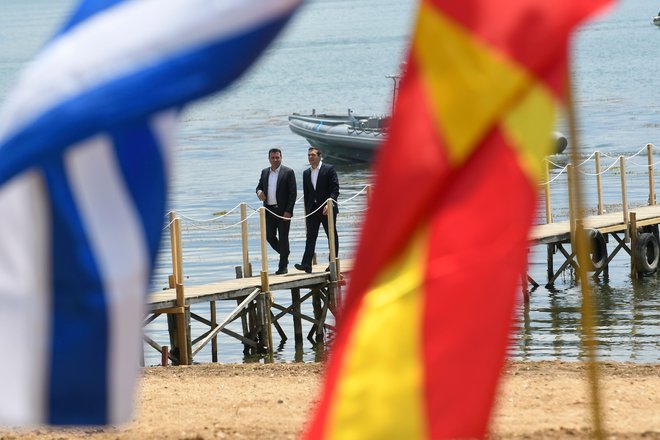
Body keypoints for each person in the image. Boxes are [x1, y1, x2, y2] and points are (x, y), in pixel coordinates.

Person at [295, 146, 339, 273]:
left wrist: (329, 204)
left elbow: (335, 189)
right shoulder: (306, 173)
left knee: (331, 236)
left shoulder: (329, 169)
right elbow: (307, 193)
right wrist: (307, 210)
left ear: (320, 156)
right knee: (311, 236)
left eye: (313, 155)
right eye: (309, 155)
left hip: (327, 209)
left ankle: (333, 263)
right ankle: (306, 264)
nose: (310, 157)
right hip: (313, 210)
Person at [256, 148, 296, 274]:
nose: (275, 160)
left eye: (277, 157)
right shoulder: (264, 172)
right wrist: (259, 192)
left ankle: (282, 267)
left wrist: (288, 211)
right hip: (269, 210)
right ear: (269, 159)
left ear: (281, 158)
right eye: (273, 158)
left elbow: (293, 193)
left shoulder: (288, 172)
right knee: (269, 236)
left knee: (283, 238)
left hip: (283, 211)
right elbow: (259, 187)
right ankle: (285, 252)